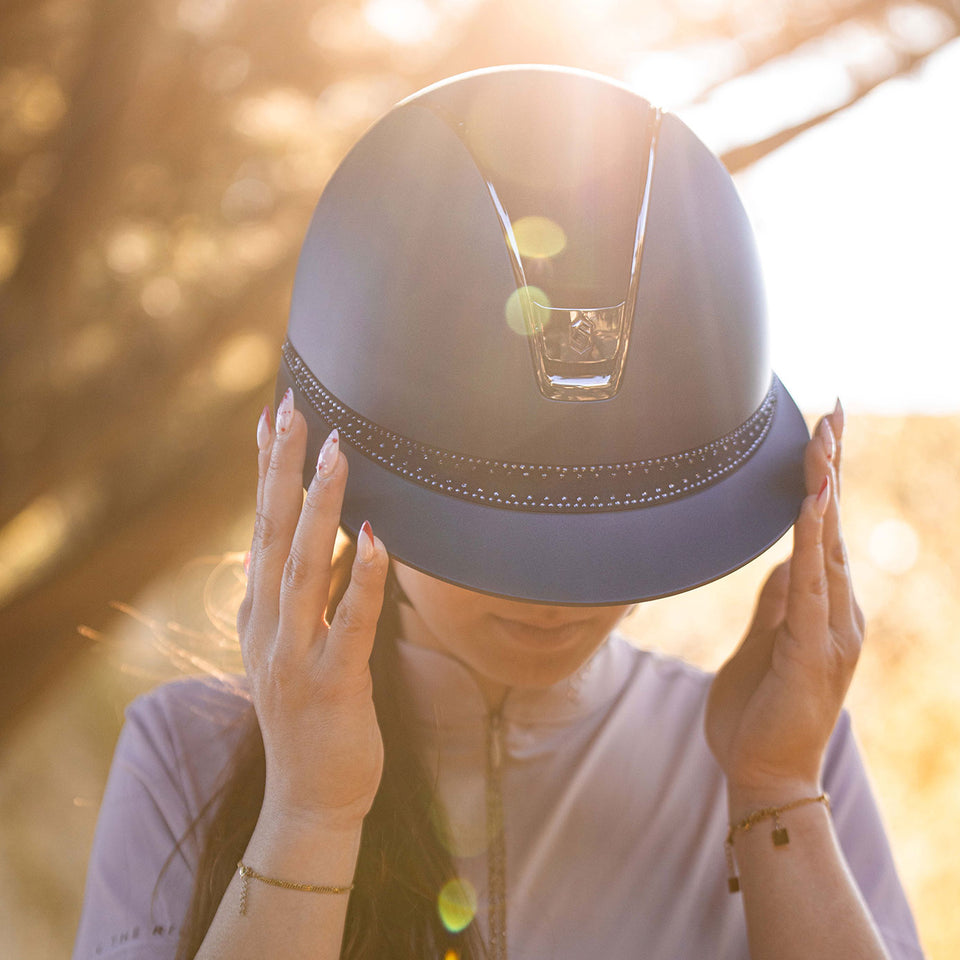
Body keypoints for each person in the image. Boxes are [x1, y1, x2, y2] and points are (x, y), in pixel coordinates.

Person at [72, 66, 924, 960]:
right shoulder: (187, 757)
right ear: (319, 476)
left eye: (618, 539)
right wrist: (308, 811)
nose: (556, 596)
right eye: (490, 534)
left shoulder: (787, 752)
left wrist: (777, 790)